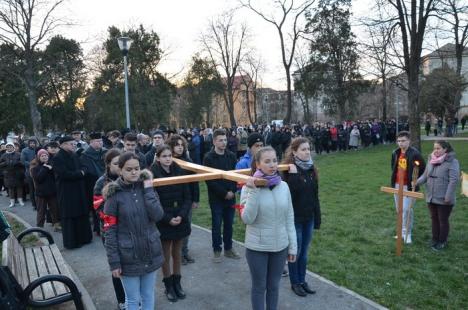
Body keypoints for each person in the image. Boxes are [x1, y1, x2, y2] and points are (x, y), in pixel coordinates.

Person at [103, 152, 164, 310]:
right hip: (128, 256)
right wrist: (114, 261)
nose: (134, 172)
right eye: (129, 169)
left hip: (150, 250)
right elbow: (109, 231)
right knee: (133, 299)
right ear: (120, 170)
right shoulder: (113, 195)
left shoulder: (146, 187)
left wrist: (149, 190)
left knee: (148, 294)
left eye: (137, 168)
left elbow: (158, 215)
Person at [239, 146, 297, 310]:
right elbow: (247, 218)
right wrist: (254, 191)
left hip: (280, 247)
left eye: (274, 160)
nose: (272, 165)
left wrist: (292, 247)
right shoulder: (247, 187)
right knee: (259, 287)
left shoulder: (284, 186)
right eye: (267, 161)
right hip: (257, 247)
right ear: (258, 164)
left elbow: (289, 218)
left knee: (274, 287)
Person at [151, 145, 191, 302]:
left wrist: (181, 215)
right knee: (165, 254)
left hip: (179, 217)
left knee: (177, 253)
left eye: (170, 155)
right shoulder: (153, 173)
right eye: (164, 156)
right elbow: (153, 200)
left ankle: (177, 283)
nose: (168, 158)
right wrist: (167, 218)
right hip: (164, 219)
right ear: (158, 157)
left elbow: (187, 197)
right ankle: (168, 285)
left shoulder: (179, 171)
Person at [282, 138, 321, 297]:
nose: (307, 152)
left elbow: (315, 195)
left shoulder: (311, 169)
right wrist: (293, 176)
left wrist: (317, 217)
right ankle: (295, 282)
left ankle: (303, 280)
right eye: (303, 149)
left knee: (304, 253)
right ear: (294, 152)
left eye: (308, 149)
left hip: (309, 217)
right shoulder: (288, 170)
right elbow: (290, 195)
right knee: (295, 253)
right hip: (295, 219)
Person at [93, 148, 126, 309]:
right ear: (108, 164)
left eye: (121, 163)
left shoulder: (127, 178)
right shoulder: (101, 182)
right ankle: (122, 300)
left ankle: (133, 296)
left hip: (129, 230)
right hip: (111, 231)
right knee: (117, 266)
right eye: (115, 163)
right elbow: (98, 207)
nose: (119, 166)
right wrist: (115, 218)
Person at [203, 129, 240, 262]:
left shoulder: (231, 156)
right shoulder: (208, 158)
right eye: (220, 140)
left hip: (231, 197)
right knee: (217, 224)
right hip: (216, 198)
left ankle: (228, 249)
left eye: (225, 140)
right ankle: (217, 250)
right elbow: (209, 180)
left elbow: (235, 175)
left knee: (229, 224)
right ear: (214, 141)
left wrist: (232, 191)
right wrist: (224, 193)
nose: (224, 142)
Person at [416, 141, 460, 251]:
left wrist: (448, 195)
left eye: (438, 148)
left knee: (443, 219)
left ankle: (442, 241)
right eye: (434, 148)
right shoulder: (431, 159)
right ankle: (435, 239)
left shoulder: (452, 162)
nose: (436, 150)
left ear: (445, 149)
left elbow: (454, 180)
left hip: (444, 197)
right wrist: (416, 182)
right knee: (434, 218)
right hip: (431, 195)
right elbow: (425, 175)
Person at [53, 136, 92, 249]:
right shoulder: (58, 158)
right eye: (71, 144)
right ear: (63, 145)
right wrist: (80, 174)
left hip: (79, 189)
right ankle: (72, 242)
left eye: (74, 144)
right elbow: (64, 174)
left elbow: (84, 166)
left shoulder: (74, 155)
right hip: (67, 192)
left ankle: (84, 238)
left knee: (81, 213)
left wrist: (82, 171)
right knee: (70, 215)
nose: (74, 146)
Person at [167, 134, 199, 265]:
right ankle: (177, 255)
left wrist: (195, 200)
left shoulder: (188, 162)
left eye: (181, 145)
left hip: (188, 200)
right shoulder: (169, 162)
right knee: (176, 229)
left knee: (186, 227)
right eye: (177, 145)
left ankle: (184, 252)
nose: (180, 148)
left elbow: (194, 182)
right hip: (173, 200)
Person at [390, 131, 425, 244]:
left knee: (406, 209)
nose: (401, 143)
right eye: (399, 141)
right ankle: (401, 232)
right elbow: (393, 167)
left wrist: (415, 181)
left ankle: (407, 233)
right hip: (397, 184)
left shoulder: (415, 154)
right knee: (399, 210)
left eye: (403, 141)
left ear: (409, 141)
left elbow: (422, 169)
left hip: (409, 186)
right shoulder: (395, 152)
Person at [80, 132, 106, 236]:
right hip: (92, 183)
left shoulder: (104, 152)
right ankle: (97, 227)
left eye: (101, 141)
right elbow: (87, 170)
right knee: (97, 205)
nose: (100, 143)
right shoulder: (85, 154)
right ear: (91, 142)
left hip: (105, 181)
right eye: (98, 141)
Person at [30, 149, 60, 230]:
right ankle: (40, 228)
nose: (44, 157)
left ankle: (56, 225)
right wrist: (45, 168)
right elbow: (38, 179)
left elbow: (57, 177)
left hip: (52, 192)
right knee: (41, 212)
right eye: (42, 156)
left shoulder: (51, 165)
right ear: (39, 157)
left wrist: (52, 169)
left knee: (55, 210)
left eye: (46, 155)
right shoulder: (34, 167)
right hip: (41, 193)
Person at [0, 142, 25, 207]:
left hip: (17, 174)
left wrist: (18, 163)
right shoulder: (4, 155)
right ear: (6, 148)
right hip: (8, 174)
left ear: (13, 147)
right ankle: (12, 202)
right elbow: (0, 165)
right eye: (8, 147)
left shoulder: (18, 154)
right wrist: (5, 164)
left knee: (19, 188)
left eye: (10, 147)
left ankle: (20, 200)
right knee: (11, 189)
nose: (9, 148)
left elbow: (22, 163)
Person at [20, 138, 38, 209]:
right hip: (29, 171)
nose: (32, 144)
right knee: (32, 189)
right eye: (31, 143)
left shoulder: (37, 149)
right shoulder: (24, 150)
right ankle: (34, 205)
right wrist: (32, 164)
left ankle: (39, 203)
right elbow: (23, 161)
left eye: (33, 143)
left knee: (38, 188)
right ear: (28, 143)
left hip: (39, 171)